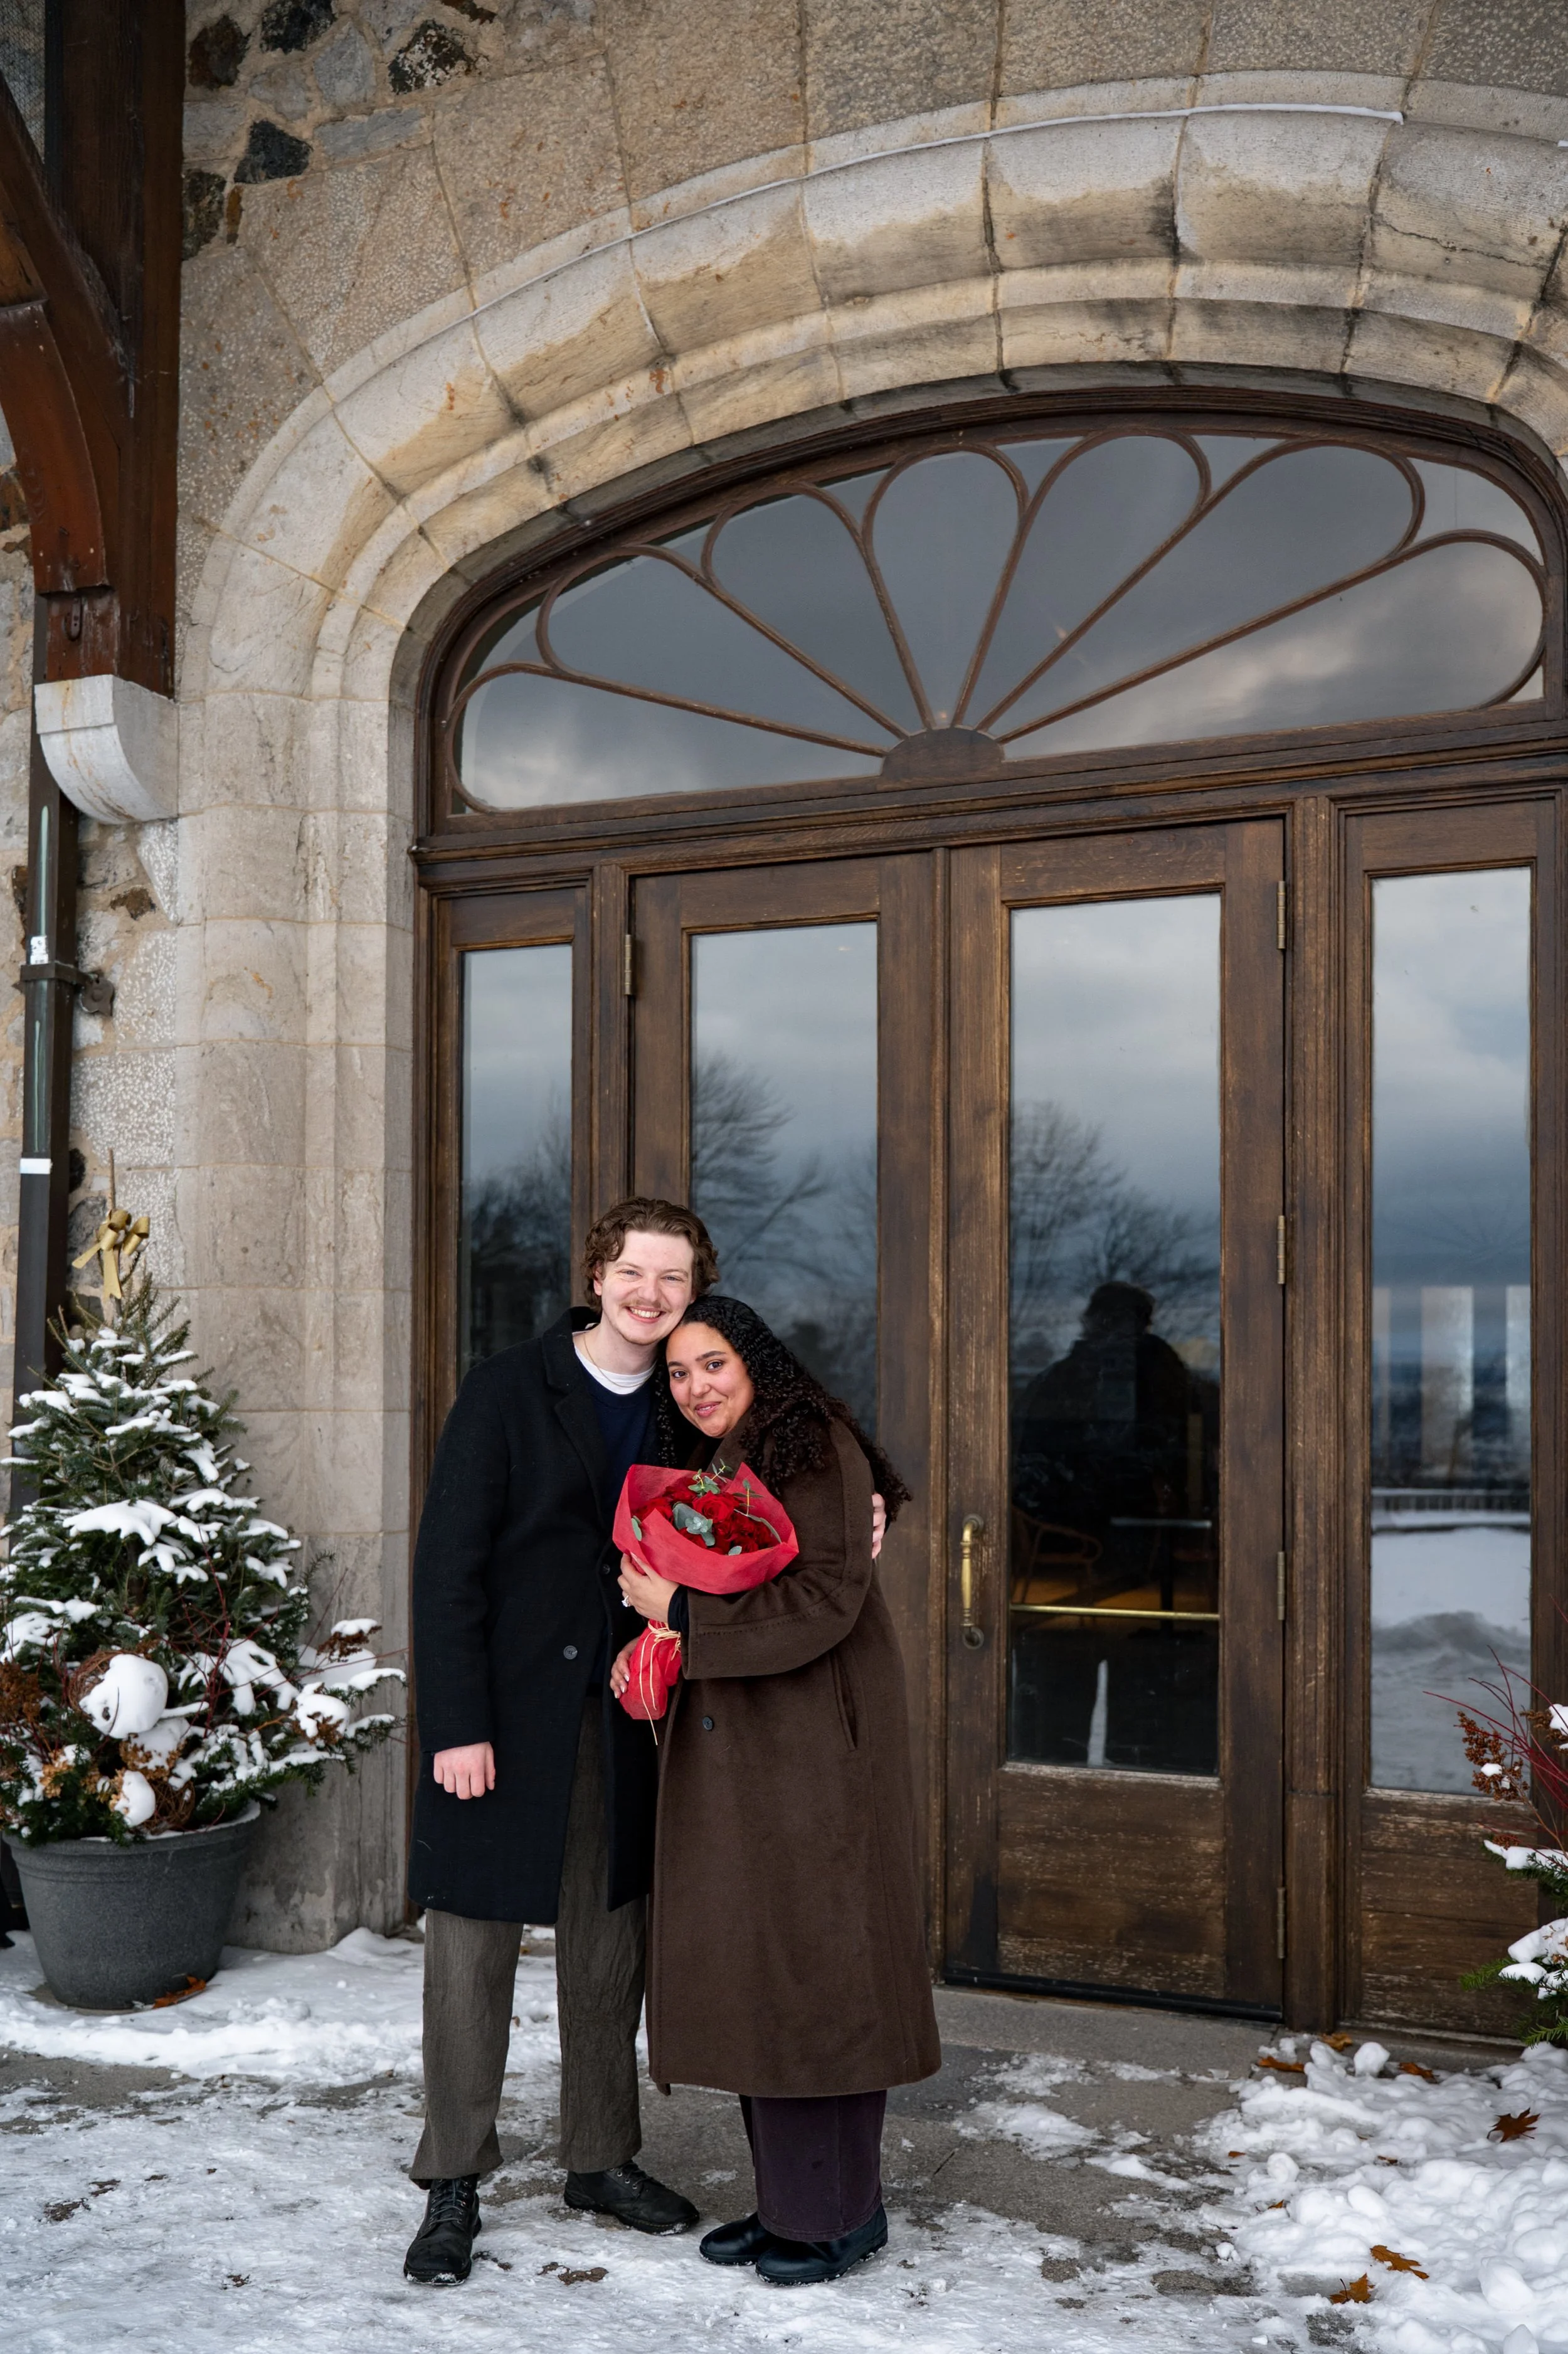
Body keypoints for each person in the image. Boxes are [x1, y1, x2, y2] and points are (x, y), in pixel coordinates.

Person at [402, 1199, 713, 2283]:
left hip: (627, 1713)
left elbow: (790, 1469)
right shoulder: (506, 1389)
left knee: (607, 1943)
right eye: (635, 1270)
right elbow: (448, 1570)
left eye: (672, 1280)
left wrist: (871, 1504)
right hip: (503, 1716)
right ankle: (453, 2179)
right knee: (471, 1953)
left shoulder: (691, 1408)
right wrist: (457, 1726)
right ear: (598, 1273)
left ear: (693, 1294)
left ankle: (599, 2158)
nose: (651, 1294)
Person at [613, 1295, 940, 2288]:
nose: (695, 1387)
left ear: (756, 1361)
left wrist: (683, 1614)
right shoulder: (728, 1459)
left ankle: (837, 2217)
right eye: (677, 1373)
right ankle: (792, 2203)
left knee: (819, 1970)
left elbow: (824, 1600)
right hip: (747, 1743)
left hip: (813, 1749)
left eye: (712, 1364)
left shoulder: (813, 1445)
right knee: (767, 1970)